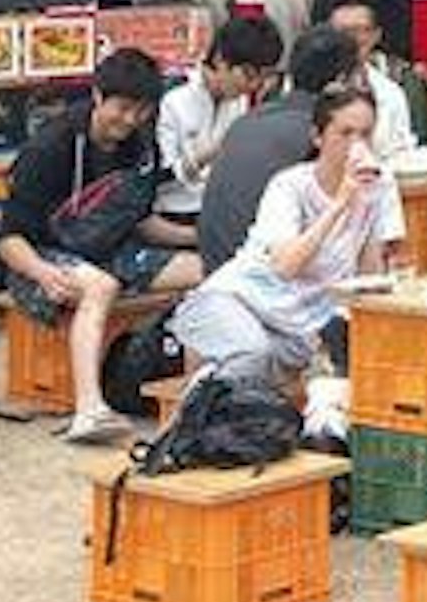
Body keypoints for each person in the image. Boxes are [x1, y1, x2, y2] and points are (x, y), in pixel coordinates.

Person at [0, 47, 194, 443]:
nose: (131, 120)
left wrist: (200, 238)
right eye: (122, 108)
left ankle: (191, 394)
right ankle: (89, 409)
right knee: (100, 286)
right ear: (98, 96)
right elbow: (8, 239)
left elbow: (140, 220)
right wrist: (43, 273)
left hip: (112, 250)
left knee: (205, 269)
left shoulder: (140, 143)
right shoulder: (50, 148)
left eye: (141, 111)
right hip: (39, 259)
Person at [171, 81, 406, 387]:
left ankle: (206, 400)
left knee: (363, 361)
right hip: (239, 299)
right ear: (318, 137)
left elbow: (368, 272)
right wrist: (340, 204)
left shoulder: (379, 185)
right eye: (345, 134)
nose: (356, 145)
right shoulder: (290, 185)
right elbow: (286, 266)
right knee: (251, 355)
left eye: (365, 134)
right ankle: (200, 417)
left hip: (303, 323)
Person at [194, 27, 358, 271]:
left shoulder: (249, 120)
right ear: (342, 81)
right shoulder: (321, 133)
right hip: (265, 279)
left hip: (217, 268)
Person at [154, 16, 283, 200]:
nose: (254, 85)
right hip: (174, 208)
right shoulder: (173, 97)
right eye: (249, 75)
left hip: (217, 207)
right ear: (220, 60)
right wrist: (210, 153)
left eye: (264, 77)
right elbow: (161, 177)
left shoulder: (240, 101)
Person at [326, 1, 421, 162]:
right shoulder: (307, 86)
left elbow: (402, 152)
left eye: (360, 30)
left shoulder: (392, 92)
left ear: (376, 35)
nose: (351, 38)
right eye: (342, 31)